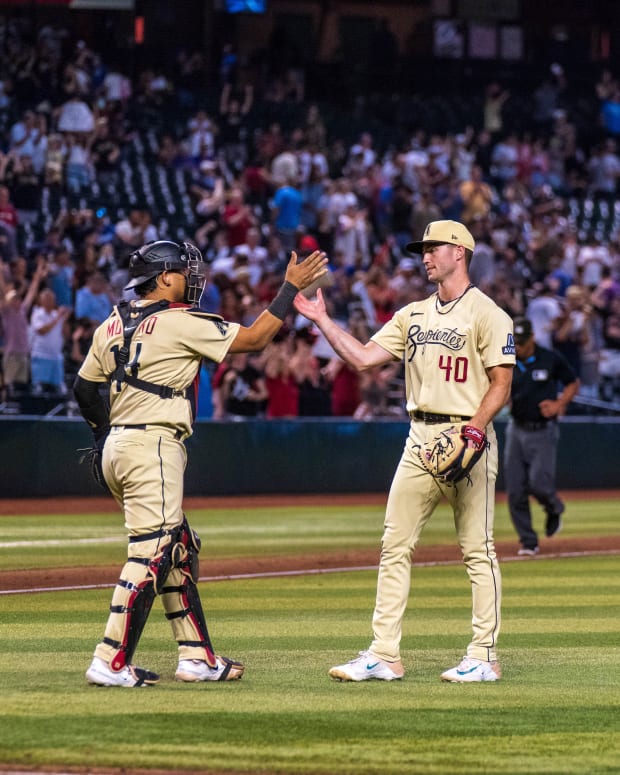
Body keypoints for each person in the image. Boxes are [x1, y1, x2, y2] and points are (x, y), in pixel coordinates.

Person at [73, 239, 327, 687]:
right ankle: (109, 659)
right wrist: (288, 289)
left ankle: (196, 657)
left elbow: (84, 389)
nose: (193, 278)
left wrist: (101, 436)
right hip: (153, 444)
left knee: (179, 547)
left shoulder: (111, 323)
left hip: (118, 445)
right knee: (152, 551)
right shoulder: (179, 321)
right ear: (164, 277)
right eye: (185, 271)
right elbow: (255, 338)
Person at [294, 219, 515, 683]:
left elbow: (502, 383)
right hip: (418, 438)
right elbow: (362, 358)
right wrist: (322, 321)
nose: (425, 256)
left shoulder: (488, 313)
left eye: (433, 247)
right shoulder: (412, 313)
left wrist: (474, 431)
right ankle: (384, 654)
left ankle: (484, 655)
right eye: (424, 248)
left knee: (478, 550)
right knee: (394, 545)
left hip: (466, 438)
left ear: (459, 252)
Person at [504, 317, 579, 556]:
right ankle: (528, 541)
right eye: (516, 342)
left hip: (542, 429)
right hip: (516, 428)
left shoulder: (550, 358)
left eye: (522, 342)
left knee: (539, 483)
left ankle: (554, 508)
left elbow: (572, 383)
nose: (519, 347)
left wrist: (559, 404)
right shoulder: (508, 361)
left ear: (532, 338)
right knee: (515, 489)